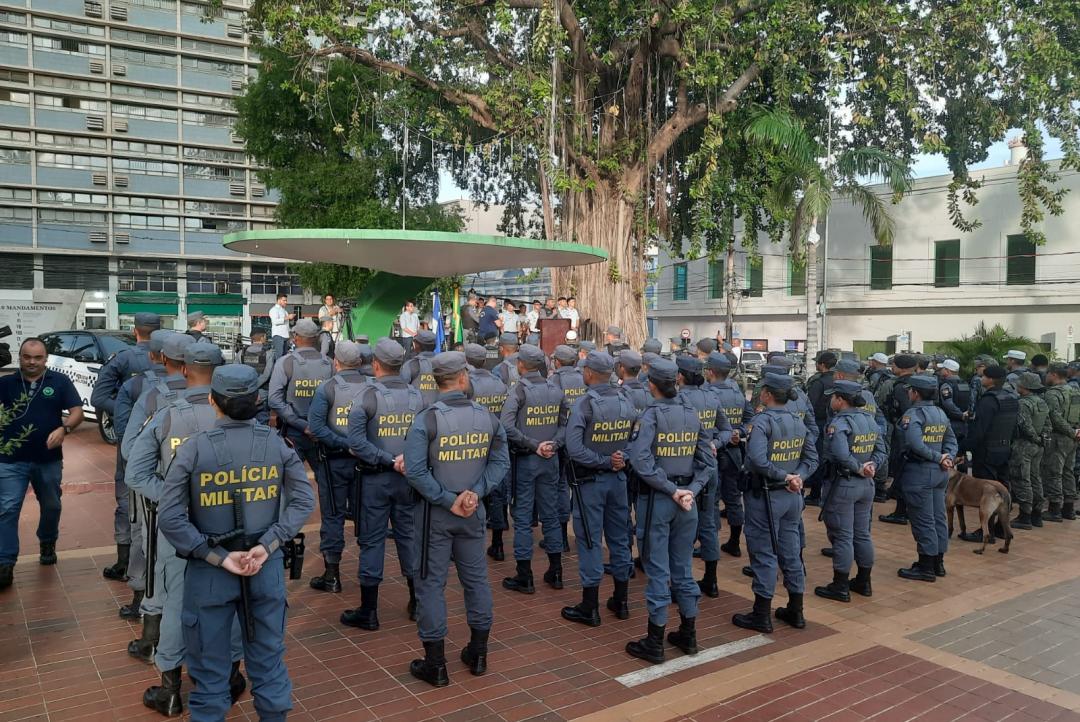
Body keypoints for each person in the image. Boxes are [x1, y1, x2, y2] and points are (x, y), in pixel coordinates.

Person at [158, 364, 315, 721]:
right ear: (258, 401)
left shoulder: (195, 449)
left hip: (210, 572)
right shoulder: (277, 445)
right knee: (268, 663)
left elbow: (170, 516)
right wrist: (270, 544)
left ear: (213, 401)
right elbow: (304, 500)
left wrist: (214, 555)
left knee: (210, 674)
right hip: (264, 566)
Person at [124, 342, 246, 716]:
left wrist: (177, 499)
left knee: (177, 604)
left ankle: (172, 690)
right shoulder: (241, 416)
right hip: (232, 525)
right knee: (234, 599)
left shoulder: (166, 415)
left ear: (180, 368)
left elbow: (135, 469)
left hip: (177, 530)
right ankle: (229, 677)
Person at [403, 351, 511, 687]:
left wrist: (448, 500)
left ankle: (436, 664)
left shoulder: (427, 419)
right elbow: (500, 464)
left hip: (436, 514)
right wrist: (474, 493)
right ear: (463, 378)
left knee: (431, 585)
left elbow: (416, 472)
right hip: (471, 512)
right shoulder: (488, 418)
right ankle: (478, 652)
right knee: (476, 581)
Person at [624, 358, 715, 663]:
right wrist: (692, 490)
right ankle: (688, 634)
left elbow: (640, 461)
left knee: (658, 572)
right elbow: (707, 461)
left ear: (651, 385)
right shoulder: (692, 414)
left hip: (660, 500)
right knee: (684, 569)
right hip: (687, 502)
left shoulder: (651, 416)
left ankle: (655, 640)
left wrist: (673, 490)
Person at [341, 339, 425, 629]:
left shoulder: (366, 396)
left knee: (372, 541)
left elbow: (355, 442)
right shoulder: (418, 396)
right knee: (408, 537)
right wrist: (405, 460)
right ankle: (416, 602)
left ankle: (369, 611)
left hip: (374, 479)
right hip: (409, 479)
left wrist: (387, 460)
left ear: (375, 364)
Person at [733, 372, 817, 634]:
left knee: (764, 552)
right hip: (792, 495)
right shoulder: (797, 421)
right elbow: (812, 459)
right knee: (791, 551)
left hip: (767, 496)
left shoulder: (762, 422)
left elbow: (757, 460)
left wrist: (785, 476)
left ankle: (761, 614)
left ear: (768, 394)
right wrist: (797, 477)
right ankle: (796, 610)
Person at [117, 333, 193, 622]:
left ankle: (154, 632)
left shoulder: (150, 394)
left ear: (160, 358)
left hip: (159, 496)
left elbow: (128, 450)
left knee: (158, 561)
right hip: (208, 497)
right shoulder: (214, 395)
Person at [560, 351, 637, 627]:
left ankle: (590, 606)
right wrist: (620, 458)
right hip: (618, 480)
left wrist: (604, 461)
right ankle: (621, 600)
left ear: (589, 373)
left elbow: (574, 448)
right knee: (619, 539)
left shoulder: (584, 405)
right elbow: (633, 439)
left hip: (590, 483)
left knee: (591, 541)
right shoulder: (625, 400)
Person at [0, 338, 83, 590]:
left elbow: (77, 411)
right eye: (27, 357)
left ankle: (47, 540)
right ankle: (5, 563)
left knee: (51, 505)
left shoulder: (59, 381)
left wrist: (64, 428)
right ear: (20, 357)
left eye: (37, 358)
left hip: (48, 459)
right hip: (10, 459)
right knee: (7, 508)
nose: (32, 362)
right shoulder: (5, 383)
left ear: (45, 358)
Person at [92, 311, 158, 580]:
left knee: (125, 497)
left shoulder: (123, 359)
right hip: (167, 436)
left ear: (135, 331)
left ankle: (125, 562)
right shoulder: (177, 361)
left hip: (131, 438)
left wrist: (127, 412)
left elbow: (99, 397)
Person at [500, 344, 567, 595]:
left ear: (521, 365)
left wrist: (533, 445)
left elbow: (506, 426)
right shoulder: (555, 389)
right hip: (550, 459)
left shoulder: (518, 390)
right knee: (550, 515)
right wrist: (552, 444)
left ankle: (524, 574)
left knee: (522, 517)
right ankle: (556, 571)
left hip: (526, 460)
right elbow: (564, 424)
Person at [305, 341, 369, 594]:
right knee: (365, 515)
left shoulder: (327, 388)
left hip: (334, 462)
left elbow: (317, 427)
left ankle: (332, 575)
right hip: (364, 463)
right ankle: (366, 573)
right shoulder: (371, 386)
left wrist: (343, 443)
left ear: (336, 362)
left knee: (333, 516)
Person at [814, 381, 886, 603]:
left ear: (841, 400)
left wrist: (858, 467)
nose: (831, 400)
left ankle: (840, 585)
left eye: (833, 397)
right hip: (866, 484)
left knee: (842, 535)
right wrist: (871, 466)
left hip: (844, 484)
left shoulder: (840, 423)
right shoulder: (869, 420)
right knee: (862, 533)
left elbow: (841, 454)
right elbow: (882, 450)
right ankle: (864, 581)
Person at [675, 355, 732, 598]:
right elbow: (727, 429)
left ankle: (682, 581)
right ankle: (711, 579)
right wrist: (714, 444)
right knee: (708, 523)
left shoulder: (678, 399)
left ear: (680, 376)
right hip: (709, 467)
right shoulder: (711, 397)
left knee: (681, 527)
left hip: (685, 467)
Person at [896, 375, 957, 582]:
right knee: (938, 517)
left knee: (923, 520)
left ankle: (925, 566)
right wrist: (946, 457)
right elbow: (951, 440)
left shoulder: (913, 414)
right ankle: (938, 562)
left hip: (920, 471)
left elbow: (915, 444)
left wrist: (938, 457)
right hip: (940, 472)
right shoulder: (939, 412)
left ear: (916, 393)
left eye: (910, 390)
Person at [268, 318, 334, 475]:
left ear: (295, 337)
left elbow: (274, 400)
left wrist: (302, 425)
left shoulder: (285, 362)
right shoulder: (330, 364)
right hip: (323, 433)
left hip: (294, 431)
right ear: (317, 338)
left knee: (288, 482)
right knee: (326, 482)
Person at [705, 352, 752, 559]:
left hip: (712, 451)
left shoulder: (706, 394)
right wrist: (739, 433)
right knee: (733, 498)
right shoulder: (737, 393)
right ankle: (734, 542)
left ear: (710, 372)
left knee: (711, 500)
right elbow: (750, 418)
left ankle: (710, 545)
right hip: (734, 452)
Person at [877, 354, 918, 523]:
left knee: (901, 469)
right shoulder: (919, 382)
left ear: (900, 368)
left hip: (901, 430)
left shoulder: (899, 386)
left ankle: (901, 512)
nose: (891, 367)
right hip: (914, 430)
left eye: (893, 365)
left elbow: (904, 410)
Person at [965, 365, 1019, 484]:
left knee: (986, 489)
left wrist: (963, 448)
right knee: (1002, 488)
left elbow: (978, 431)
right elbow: (1016, 426)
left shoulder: (988, 401)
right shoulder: (1012, 398)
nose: (981, 378)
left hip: (987, 453)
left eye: (984, 376)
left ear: (990, 380)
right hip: (1005, 449)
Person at [1040, 363, 1080, 522]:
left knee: (1054, 472)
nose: (1046, 376)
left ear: (1054, 374)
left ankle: (1054, 509)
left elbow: (1055, 418)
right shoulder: (1075, 390)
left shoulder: (1052, 394)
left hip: (1058, 436)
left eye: (1048, 373)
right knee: (1068, 471)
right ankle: (1068, 508)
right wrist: (1076, 431)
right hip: (1073, 436)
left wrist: (1071, 432)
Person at [1011, 373, 1048, 530]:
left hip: (1024, 445)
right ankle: (1037, 514)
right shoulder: (1042, 402)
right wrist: (1042, 439)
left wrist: (1034, 438)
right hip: (1038, 446)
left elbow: (1025, 426)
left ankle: (1025, 516)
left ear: (1025, 387)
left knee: (1022, 478)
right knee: (1035, 478)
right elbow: (1048, 424)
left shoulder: (1023, 403)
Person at [804, 351, 837, 506]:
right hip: (833, 422)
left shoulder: (818, 382)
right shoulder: (837, 380)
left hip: (818, 422)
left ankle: (815, 493)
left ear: (822, 364)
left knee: (816, 456)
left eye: (817, 362)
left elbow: (809, 404)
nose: (816, 364)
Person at [238, 329, 276, 423]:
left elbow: (237, 373)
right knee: (262, 421)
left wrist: (248, 387)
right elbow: (267, 375)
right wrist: (254, 386)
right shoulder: (269, 353)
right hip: (261, 394)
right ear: (263, 338)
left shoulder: (241, 353)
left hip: (244, 393)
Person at [400, 330, 439, 407]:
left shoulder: (411, 365)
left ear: (417, 345)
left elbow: (401, 391)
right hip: (441, 412)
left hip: (417, 411)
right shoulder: (444, 363)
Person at [937, 359, 970, 449]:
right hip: (964, 424)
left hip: (950, 422)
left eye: (942, 369)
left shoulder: (946, 385)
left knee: (948, 450)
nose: (940, 371)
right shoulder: (965, 384)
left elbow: (948, 404)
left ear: (947, 371)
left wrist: (960, 415)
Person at [268, 294, 295, 359]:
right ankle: (277, 368)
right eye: (284, 300)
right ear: (279, 300)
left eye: (286, 300)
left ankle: (282, 368)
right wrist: (288, 317)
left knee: (284, 356)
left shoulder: (285, 311)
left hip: (285, 335)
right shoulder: (274, 310)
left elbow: (286, 325)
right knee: (279, 355)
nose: (286, 302)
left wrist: (290, 335)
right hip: (278, 335)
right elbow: (275, 321)